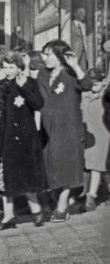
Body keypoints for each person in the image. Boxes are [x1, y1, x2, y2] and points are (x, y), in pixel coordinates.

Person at [0, 52, 45, 230]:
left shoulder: (28, 82)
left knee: (25, 175)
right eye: (4, 67)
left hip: (24, 138)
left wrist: (25, 86)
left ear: (19, 67)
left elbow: (38, 104)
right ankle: (8, 214)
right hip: (4, 137)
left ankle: (36, 210)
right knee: (6, 176)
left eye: (11, 67)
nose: (8, 71)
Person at [38, 39, 92, 222]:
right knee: (50, 164)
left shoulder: (70, 74)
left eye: (49, 55)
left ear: (60, 56)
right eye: (44, 54)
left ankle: (63, 203)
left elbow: (87, 85)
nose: (45, 58)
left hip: (68, 128)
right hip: (46, 127)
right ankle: (61, 196)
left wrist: (76, 66)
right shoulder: (42, 75)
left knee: (67, 166)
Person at [82, 68, 107, 212]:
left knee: (97, 167)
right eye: (91, 84)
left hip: (104, 136)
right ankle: (89, 193)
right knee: (94, 167)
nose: (93, 87)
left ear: (103, 82)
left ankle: (91, 196)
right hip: (89, 136)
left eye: (96, 83)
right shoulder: (85, 95)